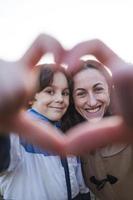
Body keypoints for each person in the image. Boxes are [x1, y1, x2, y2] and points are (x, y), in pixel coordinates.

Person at [0, 64, 90, 200]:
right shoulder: (17, 134)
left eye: (65, 93)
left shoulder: (67, 132)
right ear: (30, 97)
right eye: (50, 91)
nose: (60, 99)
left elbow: (79, 182)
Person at [65, 59, 133, 200]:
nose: (92, 102)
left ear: (110, 91)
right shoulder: (72, 137)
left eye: (98, 89)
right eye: (81, 93)